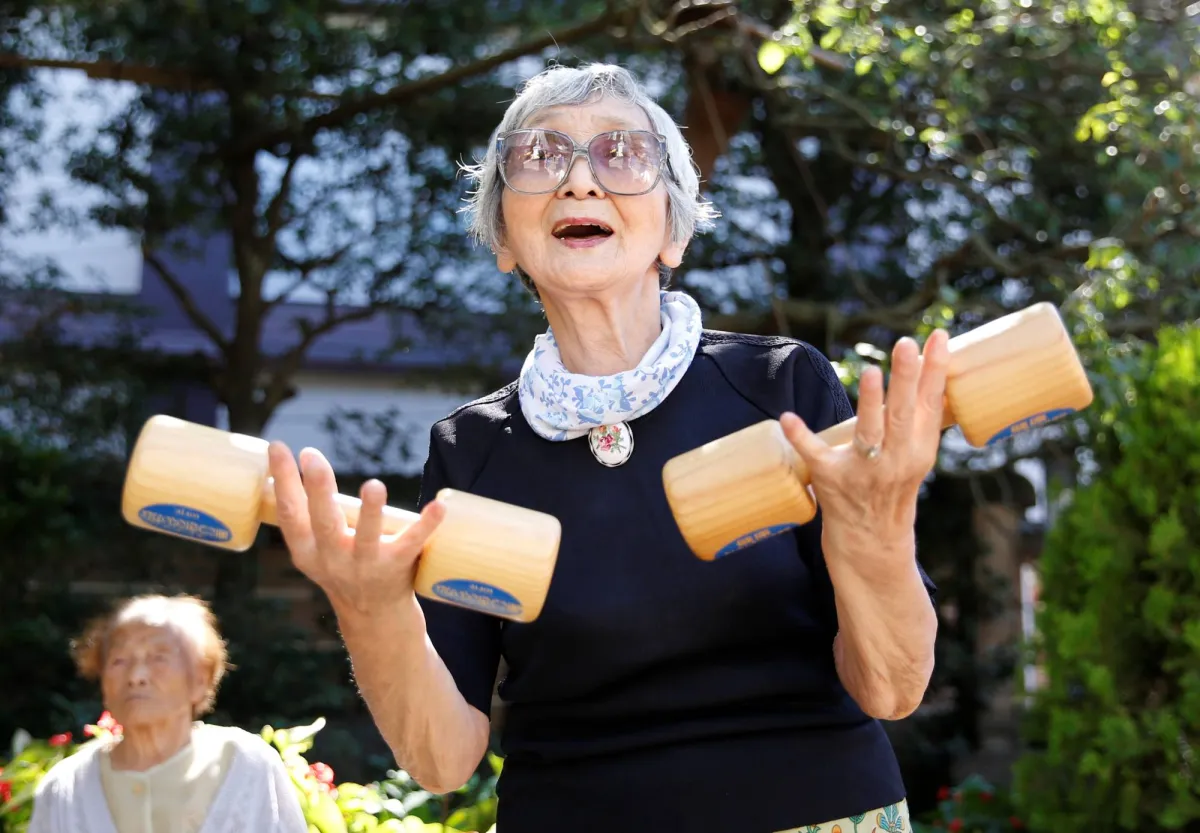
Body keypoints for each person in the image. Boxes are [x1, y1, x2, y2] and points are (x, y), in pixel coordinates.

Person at [268, 62, 947, 833]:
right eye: (539, 157)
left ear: (676, 230)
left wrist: (879, 527)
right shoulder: (473, 452)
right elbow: (442, 759)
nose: (579, 181)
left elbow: (891, 688)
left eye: (622, 154)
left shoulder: (782, 388)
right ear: (502, 239)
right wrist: (371, 608)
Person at [29, 594, 308, 833]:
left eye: (158, 658)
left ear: (200, 679)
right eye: (119, 660)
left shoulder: (247, 767)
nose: (136, 676)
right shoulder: (65, 788)